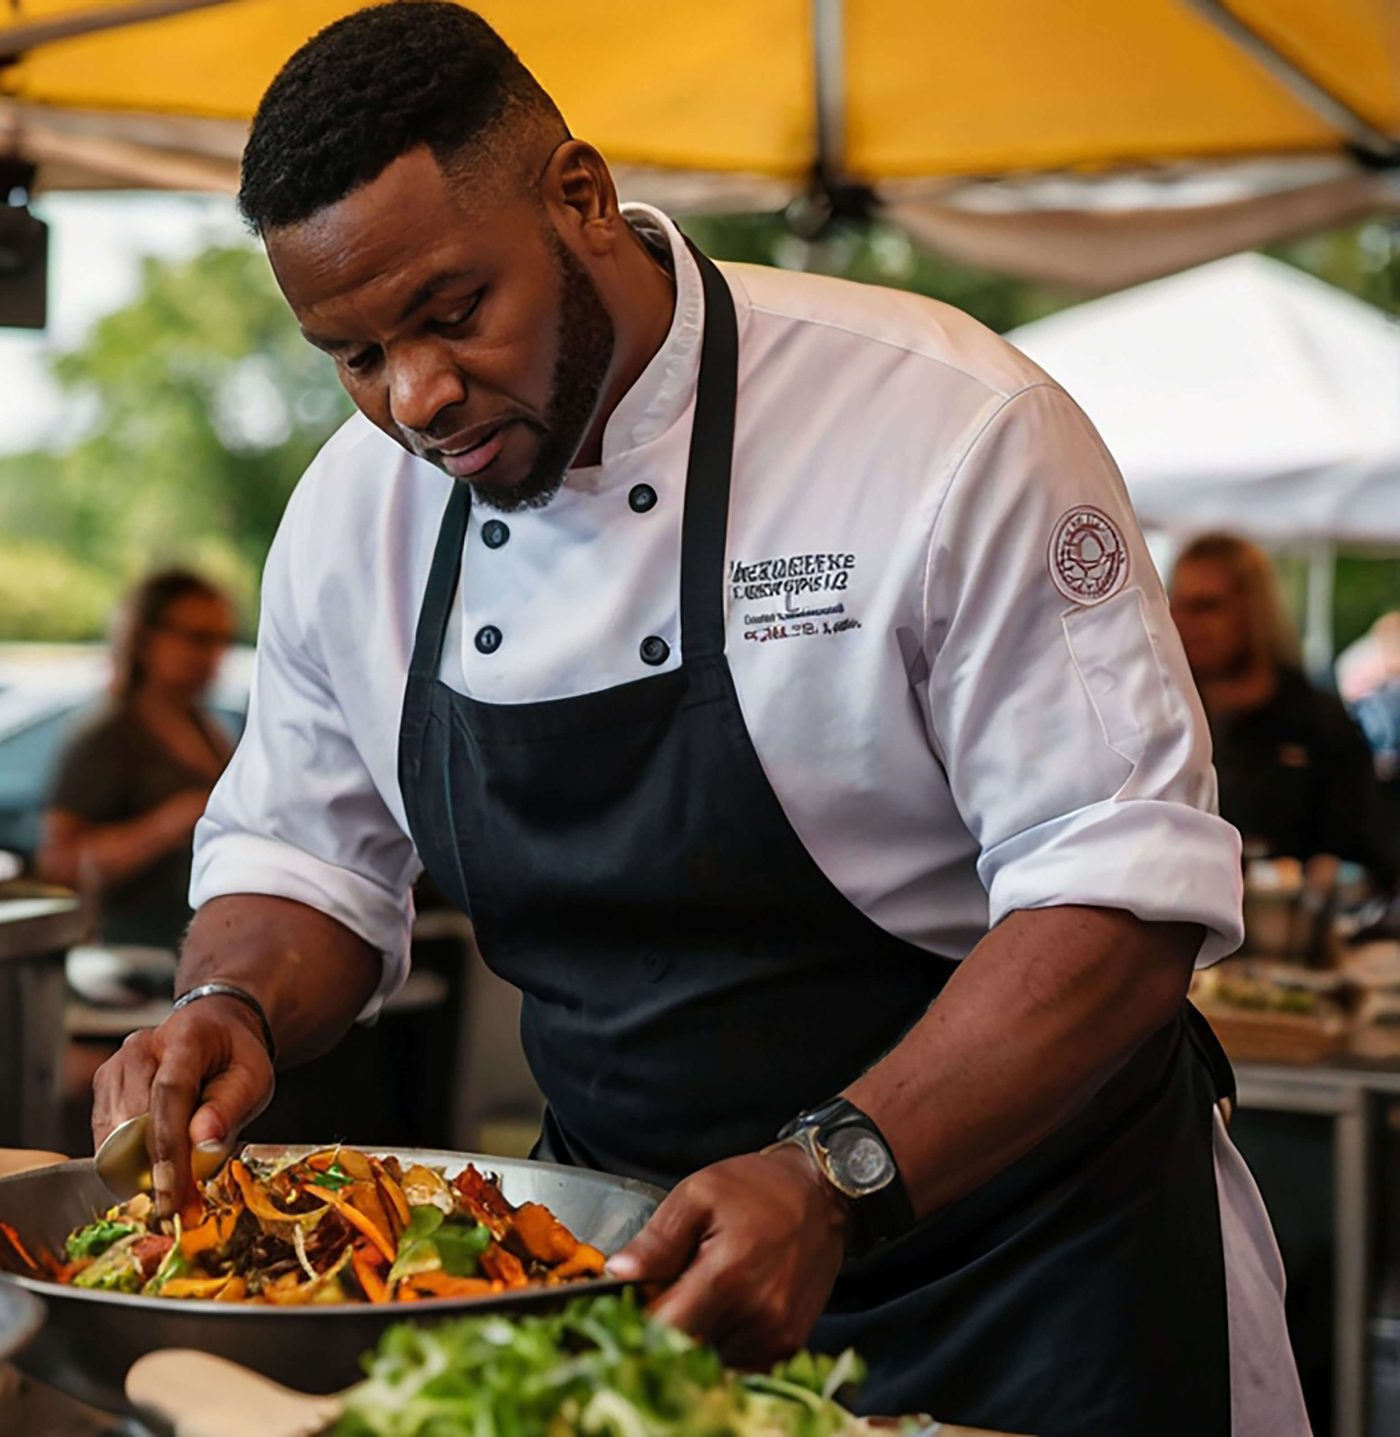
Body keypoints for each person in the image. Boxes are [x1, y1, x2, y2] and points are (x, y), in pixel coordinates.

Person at [90, 8, 1301, 1434]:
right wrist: (227, 1002)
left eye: (452, 310)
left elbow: (1120, 897)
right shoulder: (351, 518)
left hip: (1027, 1274)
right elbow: (305, 861)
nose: (413, 397)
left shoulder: (946, 426)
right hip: (631, 1288)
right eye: (352, 355)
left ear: (582, 198)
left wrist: (836, 1173)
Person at [1172, 532, 1394, 888]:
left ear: (1253, 610)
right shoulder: (1163, 716)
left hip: (1288, 931)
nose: (1186, 623)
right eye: (1178, 606)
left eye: (1207, 606)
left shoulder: (1317, 722)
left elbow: (1368, 852)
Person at [38, 570, 239, 948]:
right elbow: (58, 864)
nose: (212, 656)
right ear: (144, 638)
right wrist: (165, 826)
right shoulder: (106, 736)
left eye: (222, 640)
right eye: (198, 638)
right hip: (131, 956)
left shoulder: (207, 728)